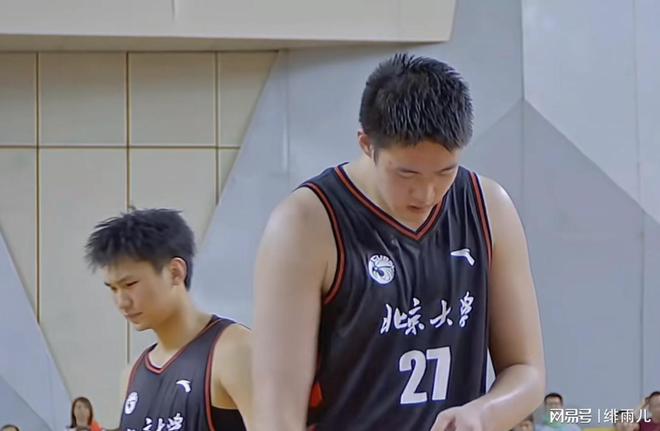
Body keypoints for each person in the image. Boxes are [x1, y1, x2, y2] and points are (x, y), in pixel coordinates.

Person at [253, 53, 545, 431]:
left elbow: (527, 371)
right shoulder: (305, 225)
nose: (426, 194)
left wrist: (483, 414)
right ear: (366, 143)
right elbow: (277, 412)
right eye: (406, 174)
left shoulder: (489, 208)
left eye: (445, 172)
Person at [85, 208, 252, 430]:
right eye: (113, 288)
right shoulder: (132, 375)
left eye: (130, 284)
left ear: (175, 272)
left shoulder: (235, 352)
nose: (122, 302)